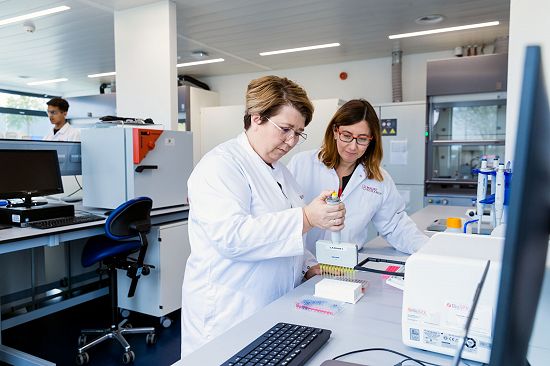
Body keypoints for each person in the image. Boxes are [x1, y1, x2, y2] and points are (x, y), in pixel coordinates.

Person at [180, 76, 346, 357]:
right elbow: (232, 238)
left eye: (299, 132)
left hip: (273, 305)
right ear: (256, 118)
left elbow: (290, 236)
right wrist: (306, 218)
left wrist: (308, 266)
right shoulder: (220, 166)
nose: (292, 141)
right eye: (285, 129)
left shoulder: (281, 172)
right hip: (228, 311)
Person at [288, 99, 428, 255]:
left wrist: (429, 250)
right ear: (335, 131)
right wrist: (307, 266)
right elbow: (286, 220)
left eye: (362, 139)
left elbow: (395, 226)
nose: (353, 146)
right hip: (303, 268)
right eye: (346, 135)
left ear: (371, 141)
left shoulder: (378, 179)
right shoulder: (301, 164)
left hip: (347, 267)